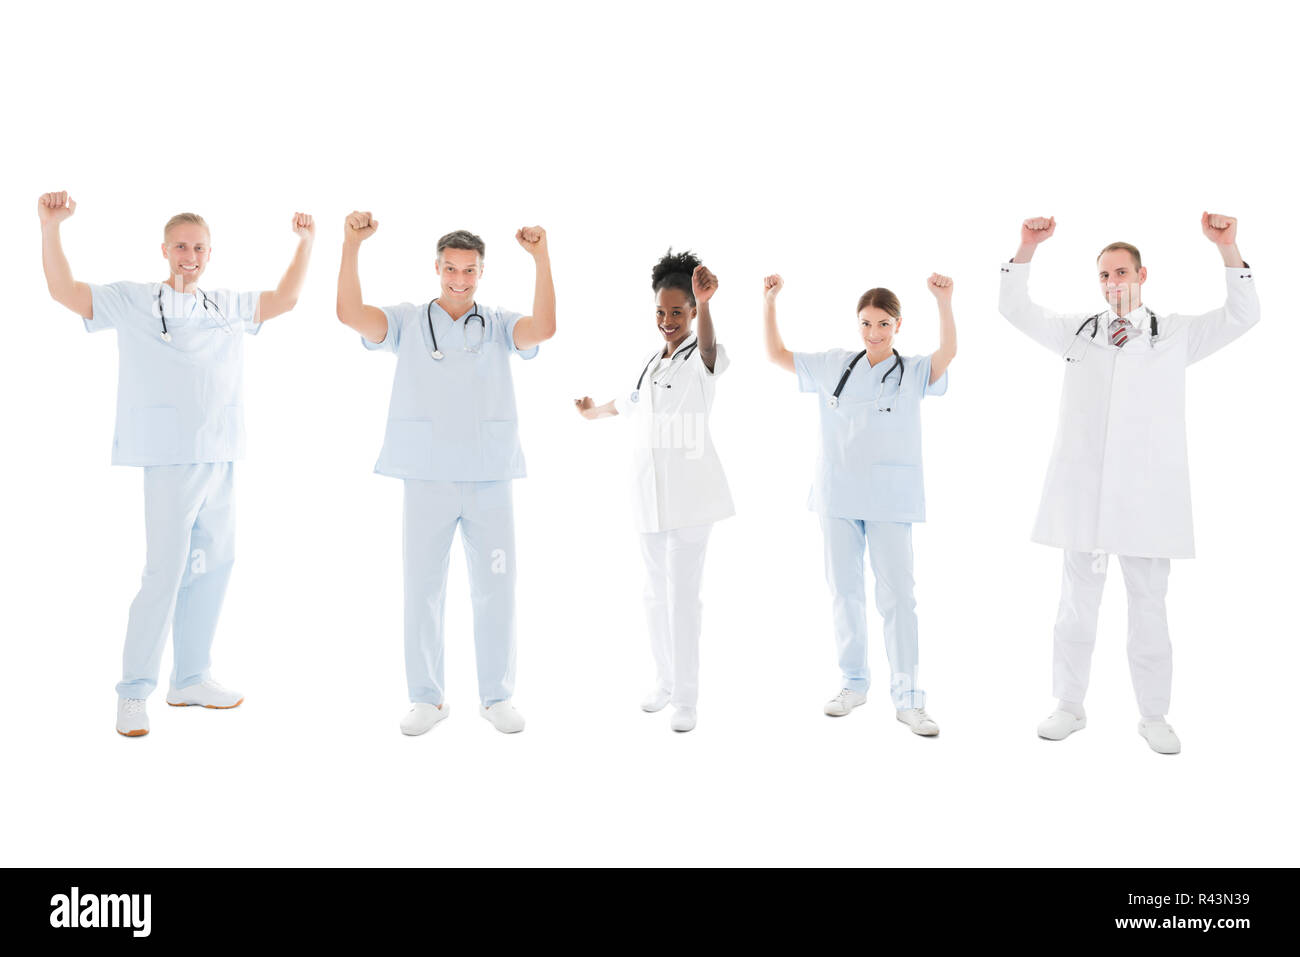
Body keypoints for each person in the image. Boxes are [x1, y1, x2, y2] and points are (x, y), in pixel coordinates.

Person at [38, 191, 315, 737]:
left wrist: (306, 242)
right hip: (168, 458)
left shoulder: (227, 304)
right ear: (165, 249)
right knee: (164, 572)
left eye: (200, 248)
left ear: (211, 254)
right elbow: (63, 291)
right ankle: (134, 692)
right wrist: (51, 228)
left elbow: (285, 299)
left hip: (223, 453)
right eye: (182, 245)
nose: (191, 255)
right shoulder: (135, 300)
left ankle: (190, 677)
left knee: (214, 567)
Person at [999, 213, 1260, 755]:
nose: (1113, 282)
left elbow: (1243, 315)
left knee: (1148, 607)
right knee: (1075, 605)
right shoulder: (1078, 331)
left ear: (1143, 275)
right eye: (1105, 275)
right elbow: (1014, 308)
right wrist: (1027, 246)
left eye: (1122, 272)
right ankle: (1069, 705)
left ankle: (1154, 715)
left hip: (1146, 499)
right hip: (1084, 497)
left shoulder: (1178, 336)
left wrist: (1228, 248)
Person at [337, 212, 555, 736]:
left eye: (470, 270)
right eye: (451, 269)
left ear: (481, 273)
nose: (460, 279)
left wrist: (541, 258)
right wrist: (351, 246)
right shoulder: (409, 322)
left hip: (489, 477)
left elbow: (544, 327)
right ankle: (427, 699)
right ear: (436, 268)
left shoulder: (500, 324)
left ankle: (497, 696)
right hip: (427, 477)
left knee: (497, 587)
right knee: (423, 588)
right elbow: (348, 313)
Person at [763, 272, 955, 735]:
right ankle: (853, 684)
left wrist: (943, 302)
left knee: (898, 599)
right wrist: (769, 302)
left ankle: (909, 698)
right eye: (867, 323)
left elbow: (947, 354)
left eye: (884, 324)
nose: (874, 333)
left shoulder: (912, 373)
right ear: (858, 325)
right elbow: (775, 354)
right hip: (838, 495)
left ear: (898, 325)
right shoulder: (834, 365)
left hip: (890, 498)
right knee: (844, 592)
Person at [574, 250, 733, 733]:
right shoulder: (652, 361)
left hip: (690, 499)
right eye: (661, 312)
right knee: (653, 596)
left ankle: (687, 698)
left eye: (678, 312)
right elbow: (629, 402)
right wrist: (591, 412)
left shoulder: (702, 356)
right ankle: (664, 682)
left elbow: (708, 346)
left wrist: (706, 307)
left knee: (683, 599)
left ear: (692, 310)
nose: (667, 321)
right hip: (648, 497)